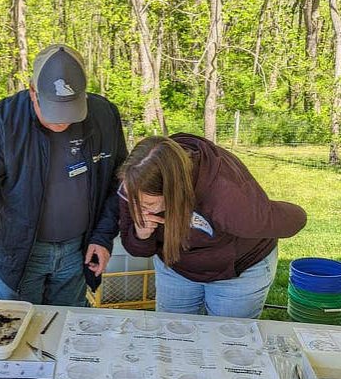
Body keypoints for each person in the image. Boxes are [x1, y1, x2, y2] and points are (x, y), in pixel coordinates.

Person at [0, 44, 128, 307]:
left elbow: (117, 183)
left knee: (65, 327)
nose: (62, 123)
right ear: (32, 92)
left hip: (77, 252)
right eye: (53, 112)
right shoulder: (4, 122)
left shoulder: (103, 116)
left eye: (70, 112)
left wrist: (102, 236)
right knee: (18, 329)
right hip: (20, 254)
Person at [119, 133, 307, 318]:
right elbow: (137, 249)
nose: (136, 208)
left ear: (174, 192)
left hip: (237, 273)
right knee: (172, 336)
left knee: (227, 341)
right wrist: (141, 234)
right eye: (130, 197)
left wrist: (258, 212)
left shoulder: (227, 198)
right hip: (176, 268)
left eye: (148, 205)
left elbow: (296, 219)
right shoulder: (137, 182)